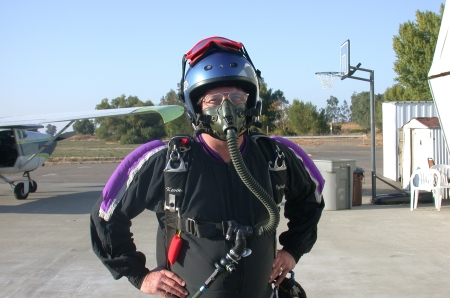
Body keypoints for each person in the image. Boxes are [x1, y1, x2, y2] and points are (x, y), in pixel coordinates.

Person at [90, 36, 325, 298]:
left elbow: (310, 200)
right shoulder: (167, 162)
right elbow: (106, 215)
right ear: (197, 106)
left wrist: (293, 250)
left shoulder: (276, 156)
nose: (227, 108)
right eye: (213, 100)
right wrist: (140, 276)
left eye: (237, 97)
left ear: (250, 103)